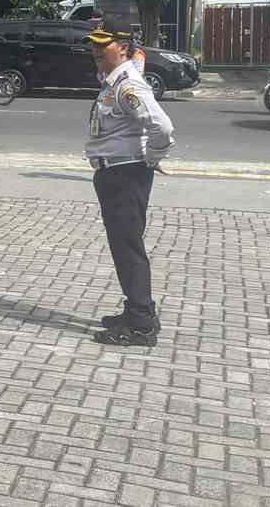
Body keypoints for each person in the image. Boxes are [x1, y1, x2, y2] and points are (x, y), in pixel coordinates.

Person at [84, 22, 174, 347]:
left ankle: (141, 325)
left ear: (122, 47)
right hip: (115, 174)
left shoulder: (127, 86)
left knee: (128, 249)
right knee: (125, 246)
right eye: (93, 44)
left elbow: (162, 126)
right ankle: (138, 309)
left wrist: (151, 158)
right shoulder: (113, 81)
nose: (95, 50)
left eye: (102, 44)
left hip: (125, 175)